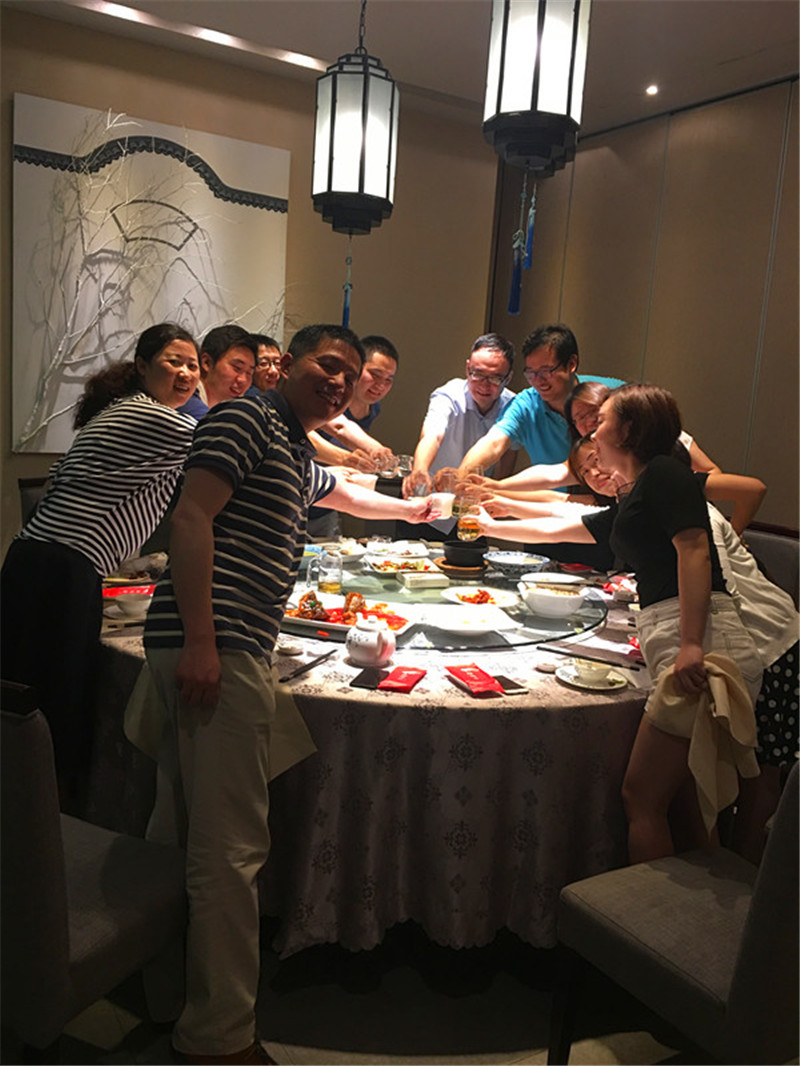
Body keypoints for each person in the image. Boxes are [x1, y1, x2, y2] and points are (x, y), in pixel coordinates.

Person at [133, 324, 434, 1065]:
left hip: (216, 642)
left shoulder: (292, 446)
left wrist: (411, 511)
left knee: (179, 830)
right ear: (287, 363)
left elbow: (348, 494)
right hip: (219, 642)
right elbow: (191, 516)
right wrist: (204, 642)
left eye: (351, 375)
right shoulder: (247, 417)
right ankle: (220, 1037)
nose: (341, 381)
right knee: (230, 850)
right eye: (328, 365)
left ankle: (164, 996)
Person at [476, 384, 763, 863]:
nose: (592, 431)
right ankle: (695, 902)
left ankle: (649, 905)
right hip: (674, 632)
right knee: (687, 804)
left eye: (603, 421)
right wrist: (490, 526)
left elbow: (694, 550)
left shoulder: (665, 473)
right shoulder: (637, 492)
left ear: (628, 430)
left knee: (641, 798)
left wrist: (692, 643)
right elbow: (569, 527)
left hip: (699, 637)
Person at [0, 322, 200, 810]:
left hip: (38, 562)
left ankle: (27, 811)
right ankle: (45, 821)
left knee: (24, 693)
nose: (185, 373)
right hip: (61, 570)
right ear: (143, 367)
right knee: (53, 701)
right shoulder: (150, 416)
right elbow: (229, 446)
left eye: (193, 365)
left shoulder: (126, 411)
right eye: (174, 361)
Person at [456, 324, 623, 480]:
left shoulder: (611, 394)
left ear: (571, 364)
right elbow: (493, 443)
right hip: (552, 497)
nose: (538, 381)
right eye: (531, 373)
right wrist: (462, 477)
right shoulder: (526, 404)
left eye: (546, 371)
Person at [401, 332, 518, 538]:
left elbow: (509, 452)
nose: (484, 384)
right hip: (429, 505)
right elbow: (432, 435)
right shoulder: (449, 395)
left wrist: (494, 494)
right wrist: (419, 470)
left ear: (508, 377)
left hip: (472, 511)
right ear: (467, 368)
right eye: (477, 374)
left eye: (494, 378)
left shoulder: (513, 406)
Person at [179, 324, 257, 418]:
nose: (243, 380)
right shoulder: (184, 397)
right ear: (207, 362)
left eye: (249, 373)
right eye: (237, 368)